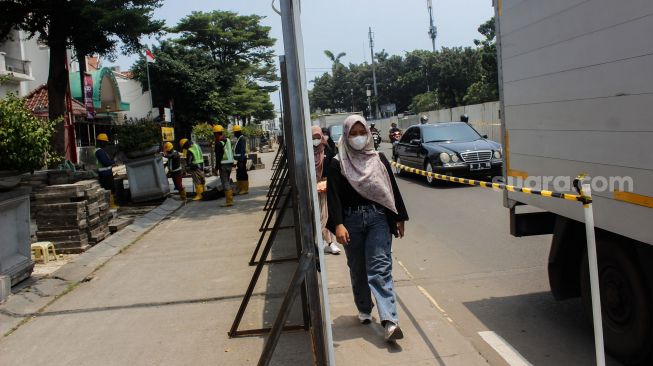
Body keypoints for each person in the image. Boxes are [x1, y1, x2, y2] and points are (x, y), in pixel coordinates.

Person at [327, 115, 409, 341]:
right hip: (351, 222)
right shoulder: (337, 162)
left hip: (378, 219)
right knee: (358, 268)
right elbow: (333, 197)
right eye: (352, 134)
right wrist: (339, 224)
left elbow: (390, 189)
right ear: (345, 136)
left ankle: (390, 321)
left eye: (361, 132)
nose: (358, 138)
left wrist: (399, 217)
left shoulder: (379, 158)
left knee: (380, 268)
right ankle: (364, 307)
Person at [312, 126, 341, 255]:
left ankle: (329, 242)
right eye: (314, 138)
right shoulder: (307, 152)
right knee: (317, 216)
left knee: (326, 215)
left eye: (319, 137)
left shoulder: (327, 151)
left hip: (325, 189)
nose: (316, 140)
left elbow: (333, 169)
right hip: (312, 189)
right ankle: (325, 241)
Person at [213, 124, 234, 207]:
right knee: (227, 182)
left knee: (225, 182)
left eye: (214, 134)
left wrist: (216, 168)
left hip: (223, 165)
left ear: (216, 134)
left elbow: (218, 157)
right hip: (230, 164)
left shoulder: (219, 143)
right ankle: (230, 199)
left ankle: (229, 201)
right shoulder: (228, 140)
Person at [95, 133, 117, 207]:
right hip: (105, 174)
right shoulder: (99, 151)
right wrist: (113, 162)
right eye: (105, 142)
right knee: (110, 190)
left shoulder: (99, 150)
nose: (106, 144)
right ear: (101, 142)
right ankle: (111, 205)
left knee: (109, 190)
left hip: (104, 174)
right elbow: (105, 163)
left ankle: (110, 205)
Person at [232, 125, 249, 195]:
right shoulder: (239, 138)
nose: (234, 134)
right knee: (240, 173)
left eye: (234, 132)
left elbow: (242, 150)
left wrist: (241, 161)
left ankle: (245, 189)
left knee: (243, 173)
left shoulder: (242, 139)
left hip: (242, 160)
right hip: (239, 160)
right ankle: (241, 188)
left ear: (237, 132)